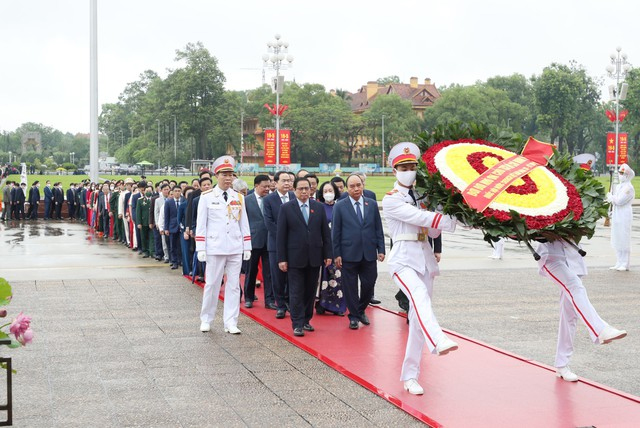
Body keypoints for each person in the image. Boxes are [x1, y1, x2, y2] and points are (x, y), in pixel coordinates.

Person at [381, 142, 458, 396]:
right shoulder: (391, 200)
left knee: (416, 318)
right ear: (395, 170)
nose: (409, 171)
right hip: (402, 259)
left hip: (424, 258)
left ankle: (410, 376)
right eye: (403, 167)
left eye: (413, 166)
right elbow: (420, 219)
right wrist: (446, 219)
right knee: (418, 296)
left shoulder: (423, 197)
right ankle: (438, 339)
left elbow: (433, 230)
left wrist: (451, 207)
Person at [536, 239, 627, 381]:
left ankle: (562, 365)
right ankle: (601, 330)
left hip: (573, 257)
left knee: (570, 313)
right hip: (551, 257)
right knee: (574, 286)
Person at [195, 155, 251, 335]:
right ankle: (206, 319)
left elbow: (244, 224)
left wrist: (247, 246)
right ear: (216, 175)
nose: (228, 178)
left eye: (230, 174)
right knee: (212, 284)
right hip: (215, 246)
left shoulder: (239, 198)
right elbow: (201, 224)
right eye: (224, 174)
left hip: (234, 247)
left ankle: (230, 322)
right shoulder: (206, 197)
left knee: (234, 285)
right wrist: (201, 248)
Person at [277, 176, 332, 337]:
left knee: (309, 291)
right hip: (294, 258)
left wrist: (328, 254)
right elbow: (281, 236)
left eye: (306, 188)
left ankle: (307, 319)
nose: (303, 191)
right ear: (294, 190)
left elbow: (325, 234)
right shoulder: (286, 208)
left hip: (314, 257)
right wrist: (282, 258)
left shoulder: (318, 207)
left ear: (311, 190)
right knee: (296, 291)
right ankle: (297, 323)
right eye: (300, 188)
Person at [332, 174, 385, 329]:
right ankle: (354, 316)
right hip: (348, 253)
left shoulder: (372, 204)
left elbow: (378, 228)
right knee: (350, 287)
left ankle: (360, 309)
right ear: (347, 188)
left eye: (358, 185)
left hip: (369, 252)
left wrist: (381, 248)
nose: (356, 189)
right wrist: (337, 254)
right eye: (352, 186)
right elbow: (335, 232)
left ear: (363, 185)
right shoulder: (340, 206)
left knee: (369, 283)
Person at [263, 171, 296, 319]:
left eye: (289, 180)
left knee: (293, 275)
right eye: (284, 181)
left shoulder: (295, 197)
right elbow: (269, 223)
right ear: (275, 183)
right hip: (275, 244)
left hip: (294, 245)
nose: (287, 183)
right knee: (277, 276)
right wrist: (284, 237)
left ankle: (291, 302)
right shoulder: (269, 200)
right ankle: (280, 305)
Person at [315, 181, 346, 316]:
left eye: (331, 190)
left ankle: (338, 306)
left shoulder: (341, 207)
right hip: (323, 246)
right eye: (325, 191)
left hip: (339, 246)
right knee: (324, 276)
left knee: (338, 276)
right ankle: (322, 304)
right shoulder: (318, 207)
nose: (328, 193)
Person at [243, 175, 273, 309]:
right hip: (253, 240)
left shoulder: (272, 199)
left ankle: (270, 300)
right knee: (251, 271)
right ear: (256, 186)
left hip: (270, 240)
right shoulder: (246, 200)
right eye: (264, 186)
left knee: (269, 272)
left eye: (268, 186)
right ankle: (249, 297)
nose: (267, 189)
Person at [606, 163, 635, 271]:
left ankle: (625, 263)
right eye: (620, 172)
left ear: (627, 175)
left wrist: (611, 197)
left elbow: (619, 201)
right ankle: (618, 261)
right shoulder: (619, 186)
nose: (620, 175)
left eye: (622, 173)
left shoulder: (629, 188)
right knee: (617, 237)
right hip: (617, 213)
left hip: (624, 214)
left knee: (624, 238)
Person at [163, 186, 182, 270]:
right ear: (173, 193)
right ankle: (174, 262)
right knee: (173, 245)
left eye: (179, 191)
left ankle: (180, 260)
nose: (177, 192)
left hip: (181, 227)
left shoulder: (184, 201)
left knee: (180, 245)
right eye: (176, 191)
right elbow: (166, 216)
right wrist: (166, 228)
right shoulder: (168, 202)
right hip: (172, 227)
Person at [136, 185, 153, 258]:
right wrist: (139, 223)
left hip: (152, 221)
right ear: (144, 191)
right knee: (144, 237)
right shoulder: (140, 200)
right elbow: (138, 212)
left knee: (152, 238)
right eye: (147, 191)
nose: (148, 192)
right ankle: (145, 251)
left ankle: (152, 251)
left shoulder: (154, 199)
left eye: (150, 191)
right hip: (144, 221)